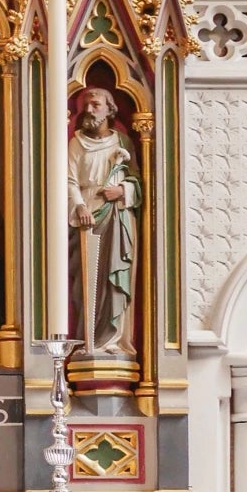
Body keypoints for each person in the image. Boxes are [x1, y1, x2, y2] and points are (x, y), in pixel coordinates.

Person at [68, 86, 140, 358]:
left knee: (114, 277)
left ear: (110, 109)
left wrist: (123, 191)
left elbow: (137, 180)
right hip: (85, 218)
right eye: (85, 105)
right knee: (84, 283)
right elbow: (69, 180)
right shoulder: (76, 143)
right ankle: (89, 339)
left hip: (116, 216)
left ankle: (113, 339)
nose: (89, 110)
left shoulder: (122, 143)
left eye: (95, 104)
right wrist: (79, 205)